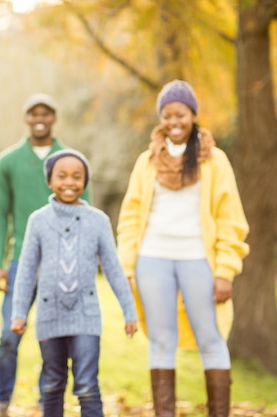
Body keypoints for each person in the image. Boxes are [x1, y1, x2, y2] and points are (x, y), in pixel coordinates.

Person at [116, 80, 250, 417]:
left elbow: (230, 218)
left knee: (211, 337)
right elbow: (130, 219)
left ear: (193, 115)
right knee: (161, 341)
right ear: (161, 118)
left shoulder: (215, 160)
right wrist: (128, 269)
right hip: (152, 259)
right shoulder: (147, 162)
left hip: (199, 260)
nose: (174, 121)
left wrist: (225, 271)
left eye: (181, 113)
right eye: (167, 114)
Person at [10, 149, 137, 417]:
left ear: (85, 181)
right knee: (53, 384)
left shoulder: (98, 221)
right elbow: (26, 270)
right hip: (49, 315)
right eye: (62, 176)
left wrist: (129, 311)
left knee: (87, 384)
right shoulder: (38, 221)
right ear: (50, 180)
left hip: (86, 317)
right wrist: (19, 312)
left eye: (77, 177)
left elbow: (114, 269)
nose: (69, 182)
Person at [0, 94, 92, 417]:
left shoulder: (71, 159)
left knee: (55, 335)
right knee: (8, 334)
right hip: (22, 261)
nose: (40, 118)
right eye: (34, 113)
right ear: (26, 119)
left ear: (54, 118)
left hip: (63, 263)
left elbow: (84, 214)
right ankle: (0, 401)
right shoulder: (9, 161)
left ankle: (48, 400)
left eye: (46, 113)